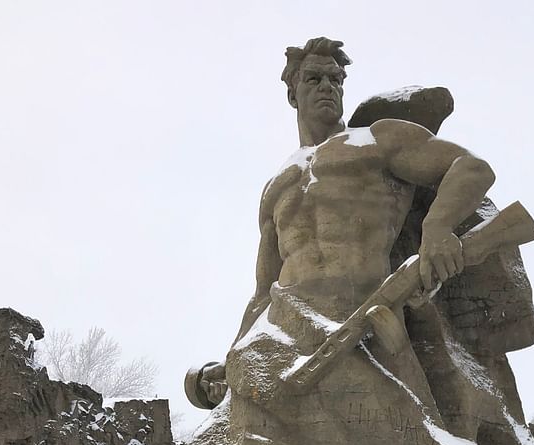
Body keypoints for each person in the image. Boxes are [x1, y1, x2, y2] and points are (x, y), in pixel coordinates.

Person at [199, 36, 496, 415]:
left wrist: (437, 228)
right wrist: (233, 358)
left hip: (363, 323)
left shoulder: (378, 140)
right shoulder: (276, 187)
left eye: (336, 79)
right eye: (313, 79)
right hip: (284, 332)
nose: (327, 86)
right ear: (292, 94)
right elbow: (262, 292)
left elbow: (471, 168)